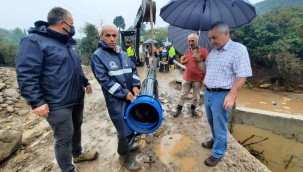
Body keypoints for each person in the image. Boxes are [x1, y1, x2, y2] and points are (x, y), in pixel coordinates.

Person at [16, 7, 98, 172]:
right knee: (63, 138)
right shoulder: (35, 41)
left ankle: (78, 153)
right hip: (57, 103)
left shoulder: (69, 43)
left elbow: (76, 67)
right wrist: (37, 101)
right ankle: (68, 169)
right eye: (72, 24)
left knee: (76, 128)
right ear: (62, 23)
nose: (73, 27)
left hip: (76, 97)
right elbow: (26, 73)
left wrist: (85, 81)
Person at [91, 25, 141, 170]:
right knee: (123, 128)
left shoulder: (123, 53)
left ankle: (128, 146)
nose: (112, 39)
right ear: (101, 36)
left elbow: (133, 69)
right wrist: (123, 92)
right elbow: (104, 80)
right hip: (116, 100)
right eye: (108, 36)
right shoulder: (98, 56)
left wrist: (136, 85)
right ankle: (125, 156)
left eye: (114, 35)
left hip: (131, 96)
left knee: (133, 122)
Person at [202, 21, 252, 167]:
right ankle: (214, 140)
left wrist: (232, 95)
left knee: (220, 125)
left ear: (226, 34)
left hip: (222, 95)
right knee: (212, 122)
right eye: (210, 38)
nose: (212, 41)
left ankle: (218, 152)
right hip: (208, 92)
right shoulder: (213, 52)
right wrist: (199, 60)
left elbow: (242, 76)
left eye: (214, 37)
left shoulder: (238, 50)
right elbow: (206, 71)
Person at [173, 33, 208, 117]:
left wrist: (204, 79)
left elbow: (208, 65)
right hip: (187, 77)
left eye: (192, 41)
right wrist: (183, 60)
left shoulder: (204, 51)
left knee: (196, 96)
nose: (190, 43)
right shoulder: (187, 51)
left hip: (198, 79)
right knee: (183, 94)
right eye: (189, 41)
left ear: (197, 40)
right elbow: (186, 62)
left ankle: (193, 109)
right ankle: (178, 110)